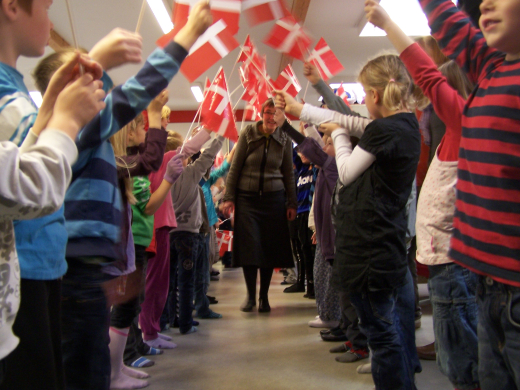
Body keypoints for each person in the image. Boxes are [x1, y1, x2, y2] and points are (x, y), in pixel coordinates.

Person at [278, 50, 421, 388]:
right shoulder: (399, 124)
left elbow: (346, 170)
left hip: (371, 248)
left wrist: (338, 135)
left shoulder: (386, 130)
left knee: (383, 337)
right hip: (382, 243)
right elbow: (356, 121)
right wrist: (307, 112)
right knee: (392, 330)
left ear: (373, 95)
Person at [365, 2, 480, 389]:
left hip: (454, 263)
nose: (428, 104)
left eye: (437, 97)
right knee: (455, 357)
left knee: (464, 362)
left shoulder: (466, 129)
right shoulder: (452, 134)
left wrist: (387, 24)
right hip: (443, 260)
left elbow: (427, 73)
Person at [418, 0, 520, 388]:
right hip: (487, 284)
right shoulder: (494, 68)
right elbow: (447, 21)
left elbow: (429, 75)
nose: (486, 4)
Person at [0, 54, 105, 383]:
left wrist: (48, 116)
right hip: (32, 265)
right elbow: (30, 187)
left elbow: (17, 167)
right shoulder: (9, 94)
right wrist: (64, 121)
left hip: (41, 265)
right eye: (46, 6)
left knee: (60, 366)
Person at [222, 99, 297, 313]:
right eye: (268, 112)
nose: (272, 117)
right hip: (247, 199)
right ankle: (250, 297)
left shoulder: (284, 138)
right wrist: (229, 196)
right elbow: (235, 168)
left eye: (276, 113)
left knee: (268, 249)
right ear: (261, 113)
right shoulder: (248, 133)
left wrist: (291, 202)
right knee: (250, 249)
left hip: (274, 200)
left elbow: (288, 173)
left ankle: (264, 298)